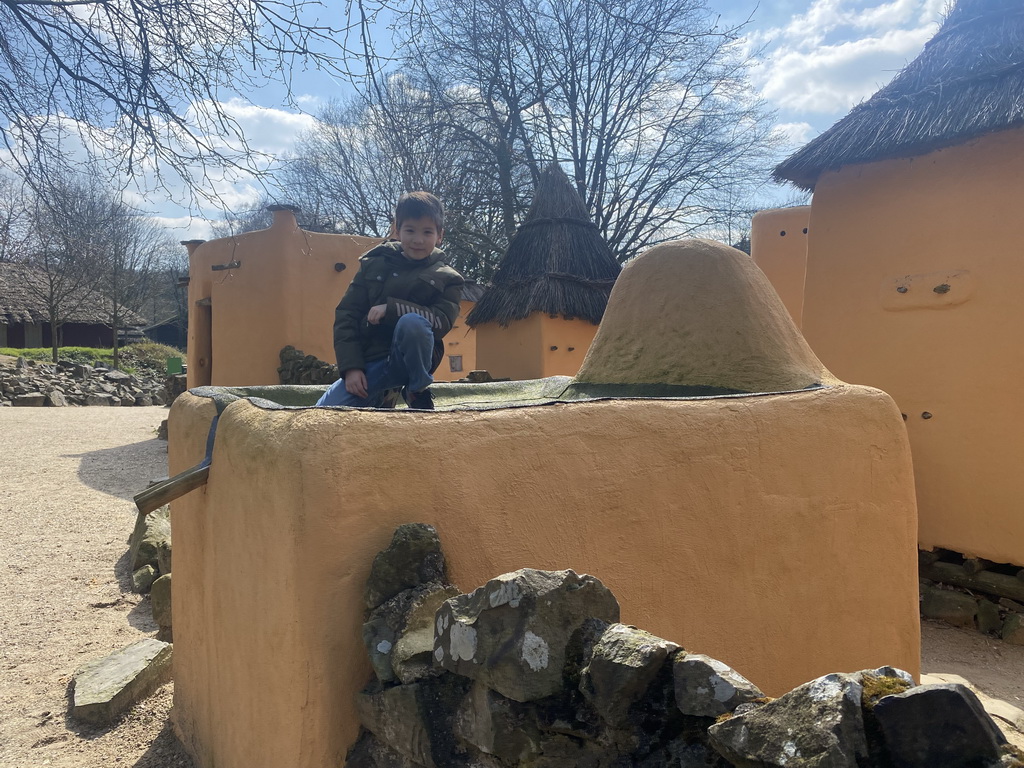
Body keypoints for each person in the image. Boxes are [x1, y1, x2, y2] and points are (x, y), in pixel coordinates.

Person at [316, 191, 465, 410]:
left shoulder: (448, 278)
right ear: (397, 230)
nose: (418, 239)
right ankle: (381, 395)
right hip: (372, 363)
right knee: (322, 411)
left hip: (411, 363)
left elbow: (441, 322)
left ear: (439, 235)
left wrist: (392, 309)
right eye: (410, 230)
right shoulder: (372, 264)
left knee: (412, 322)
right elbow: (347, 315)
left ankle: (418, 390)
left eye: (427, 232)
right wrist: (351, 369)